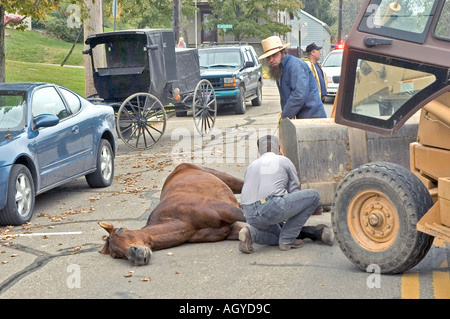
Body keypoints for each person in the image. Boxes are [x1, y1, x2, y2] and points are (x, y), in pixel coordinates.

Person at [238, 135, 334, 254]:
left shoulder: (251, 166)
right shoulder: (283, 160)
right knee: (313, 196)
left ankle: (250, 233)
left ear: (259, 152)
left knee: (277, 234)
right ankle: (288, 239)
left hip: (248, 212)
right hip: (269, 206)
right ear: (279, 150)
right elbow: (295, 193)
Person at [258, 36, 326, 120]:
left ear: (282, 52)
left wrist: (285, 115)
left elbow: (298, 95)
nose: (271, 60)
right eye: (268, 57)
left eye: (274, 55)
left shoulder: (295, 66)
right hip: (299, 118)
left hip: (312, 118)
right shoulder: (279, 68)